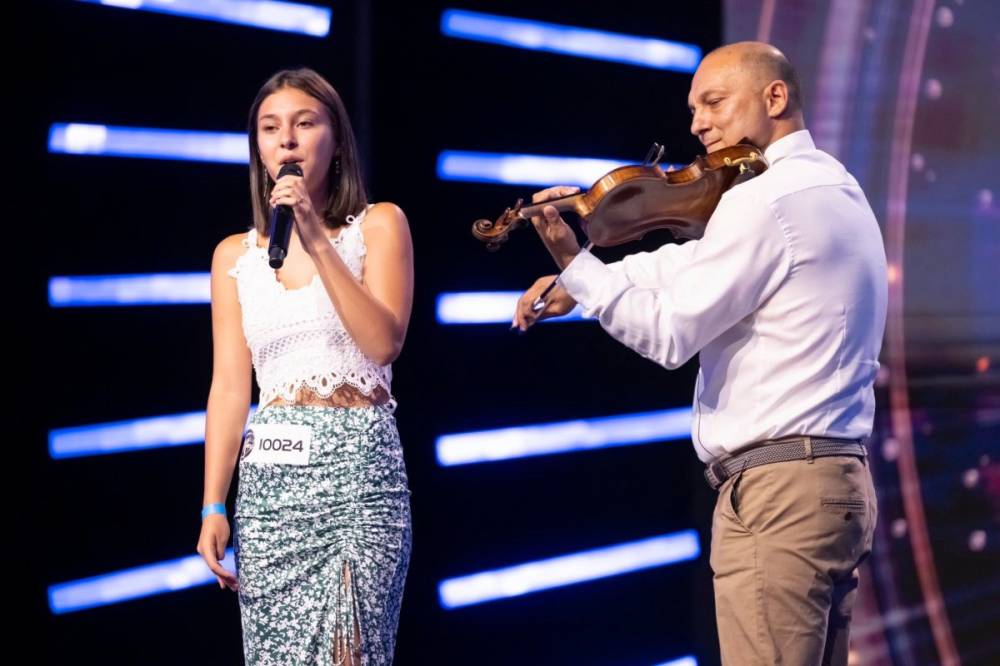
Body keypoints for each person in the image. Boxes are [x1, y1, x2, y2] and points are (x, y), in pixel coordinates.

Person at [514, 42, 885, 666]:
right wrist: (584, 282)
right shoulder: (831, 185)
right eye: (693, 109)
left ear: (775, 97)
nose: (697, 124)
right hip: (834, 484)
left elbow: (669, 334)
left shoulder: (763, 199)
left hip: (777, 495)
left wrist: (577, 265)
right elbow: (697, 262)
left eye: (713, 102)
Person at [196, 67, 414, 666]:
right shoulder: (234, 257)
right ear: (259, 148)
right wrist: (213, 504)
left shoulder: (380, 225)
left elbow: (383, 343)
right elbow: (229, 387)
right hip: (271, 489)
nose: (286, 140)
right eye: (270, 128)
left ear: (336, 141)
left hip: (357, 478)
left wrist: (316, 238)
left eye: (304, 123)